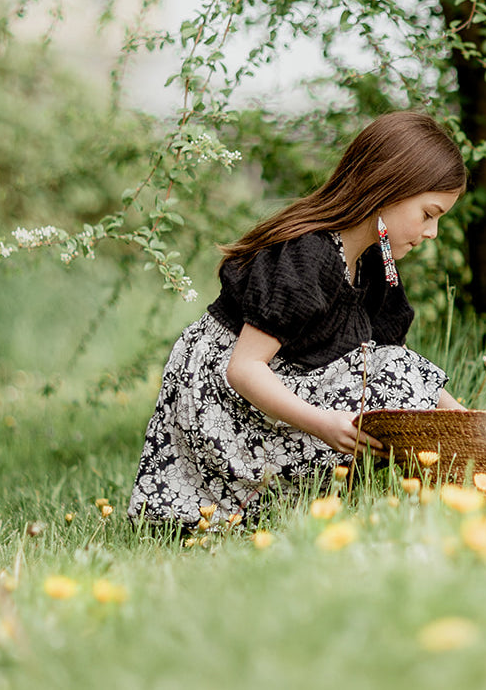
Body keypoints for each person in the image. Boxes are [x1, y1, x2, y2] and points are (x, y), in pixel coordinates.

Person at [128, 110, 466, 529]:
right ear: (388, 189)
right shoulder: (310, 255)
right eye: (428, 214)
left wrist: (467, 426)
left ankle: (461, 480)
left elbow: (390, 361)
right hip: (223, 401)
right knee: (390, 383)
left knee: (394, 372)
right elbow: (244, 367)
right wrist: (323, 423)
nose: (431, 233)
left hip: (283, 381)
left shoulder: (378, 262)